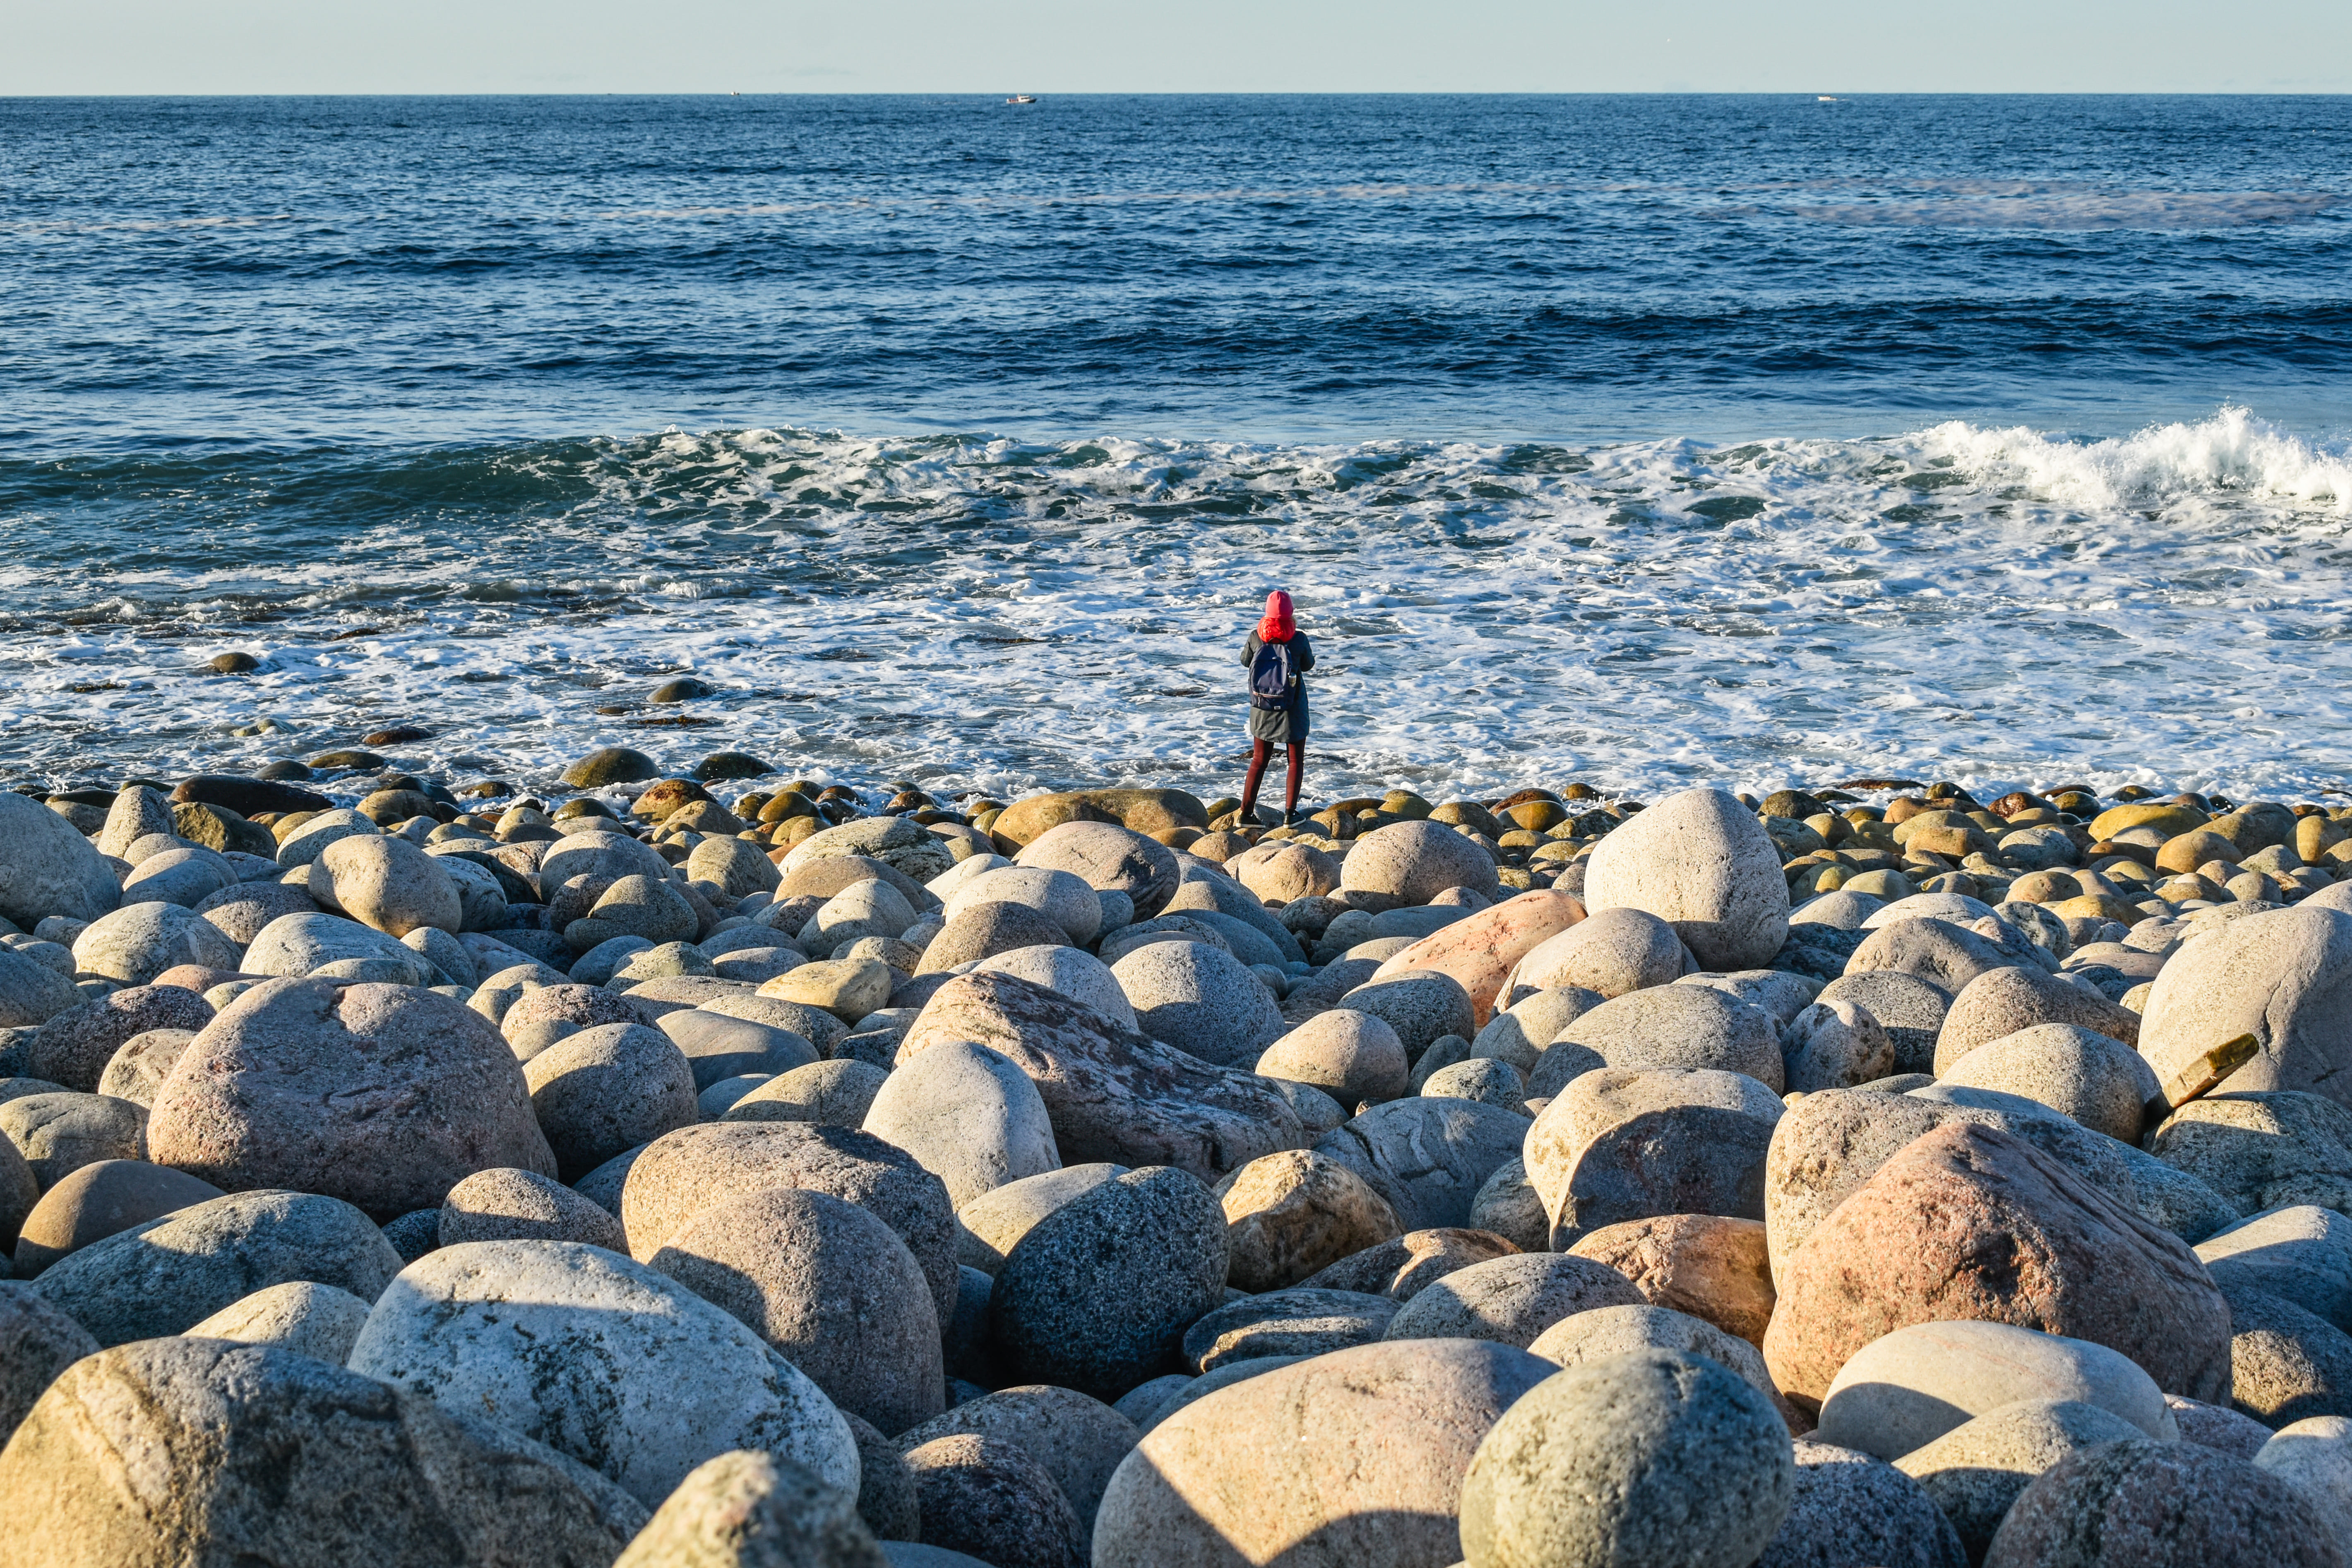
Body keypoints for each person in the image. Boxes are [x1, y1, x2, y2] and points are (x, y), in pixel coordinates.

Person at [1240, 589, 1313, 826]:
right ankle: (1290, 814)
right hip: (1292, 709)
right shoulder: (1299, 639)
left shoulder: (1256, 636)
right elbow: (1308, 665)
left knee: (1259, 761)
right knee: (1295, 761)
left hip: (1262, 707)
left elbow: (1245, 661)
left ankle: (1246, 814)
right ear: (1291, 613)